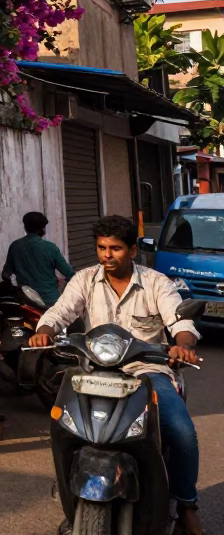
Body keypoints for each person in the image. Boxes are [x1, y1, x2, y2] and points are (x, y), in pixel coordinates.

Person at [28, 215, 203, 535]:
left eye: (116, 248)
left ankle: (187, 503)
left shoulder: (156, 282)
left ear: (133, 251)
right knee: (61, 425)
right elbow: (60, 311)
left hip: (146, 371)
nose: (107, 255)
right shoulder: (84, 280)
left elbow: (180, 323)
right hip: (94, 370)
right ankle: (69, 489)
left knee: (181, 432)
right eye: (102, 248)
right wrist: (45, 330)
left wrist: (182, 345)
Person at [1, 211, 74, 307]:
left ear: (25, 227)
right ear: (42, 229)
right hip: (49, 300)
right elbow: (68, 272)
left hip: (25, 300)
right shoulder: (50, 248)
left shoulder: (15, 246)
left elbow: (5, 274)